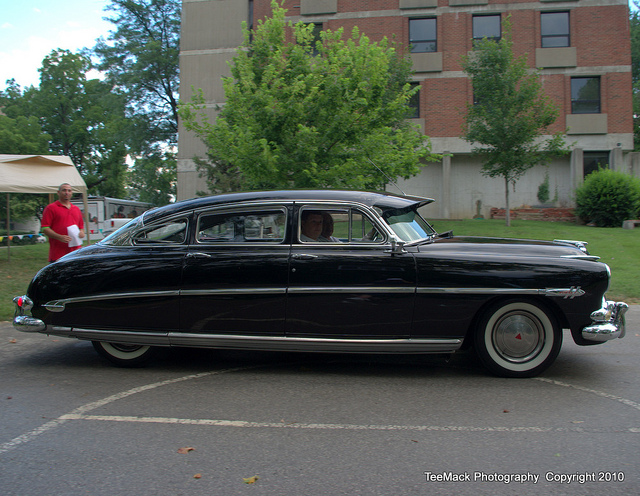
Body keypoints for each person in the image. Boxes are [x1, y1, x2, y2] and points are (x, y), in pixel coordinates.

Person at [41, 183, 85, 262]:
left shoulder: (76, 209)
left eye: (69, 190)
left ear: (71, 193)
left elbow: (81, 227)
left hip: (75, 252)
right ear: (58, 192)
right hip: (58, 254)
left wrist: (81, 232)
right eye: (64, 190)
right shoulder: (51, 208)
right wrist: (59, 237)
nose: (66, 192)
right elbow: (45, 228)